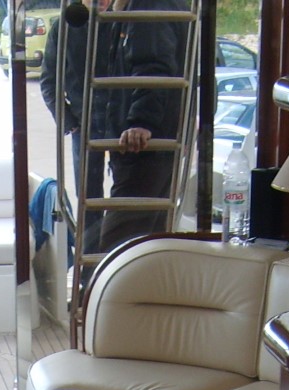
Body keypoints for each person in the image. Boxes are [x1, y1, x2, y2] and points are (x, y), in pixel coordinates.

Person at [95, 0, 188, 254]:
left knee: (115, 248)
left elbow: (153, 66)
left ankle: (104, 282)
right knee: (147, 242)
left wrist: (141, 122)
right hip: (158, 142)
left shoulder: (148, 6)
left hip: (143, 147)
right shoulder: (153, 6)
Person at [39, 5, 105, 256]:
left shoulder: (125, 21)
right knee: (88, 196)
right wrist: (69, 121)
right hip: (84, 121)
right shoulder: (65, 27)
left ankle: (118, 256)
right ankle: (90, 260)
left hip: (123, 121)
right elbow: (49, 81)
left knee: (127, 193)